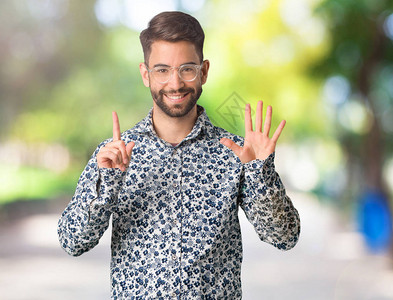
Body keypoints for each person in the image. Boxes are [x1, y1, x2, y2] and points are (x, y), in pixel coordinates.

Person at [57, 11, 300, 299]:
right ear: (146, 75)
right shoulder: (112, 156)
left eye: (186, 68)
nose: (175, 83)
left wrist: (260, 172)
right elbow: (72, 241)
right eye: (162, 70)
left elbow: (285, 237)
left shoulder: (236, 153)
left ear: (204, 71)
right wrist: (108, 183)